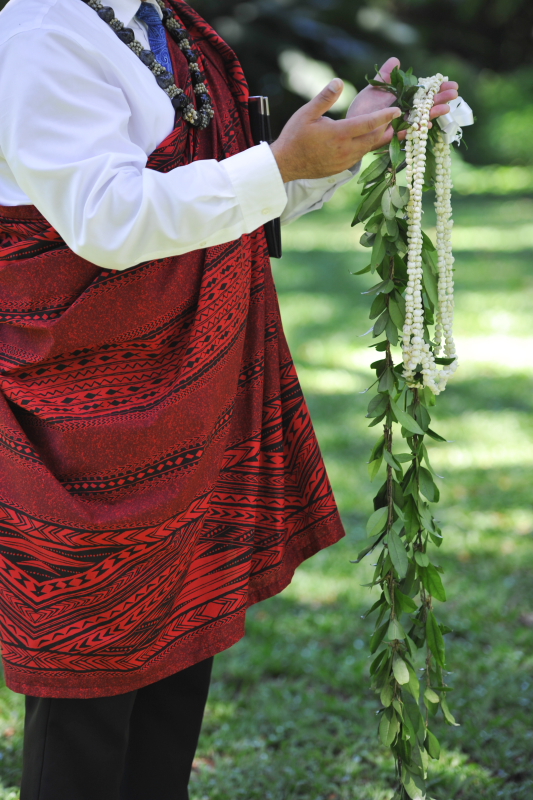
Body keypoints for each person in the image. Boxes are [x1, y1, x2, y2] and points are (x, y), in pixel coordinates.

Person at [0, 0, 458, 797]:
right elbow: (106, 219)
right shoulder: (41, 31)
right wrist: (276, 166)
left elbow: (225, 197)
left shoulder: (166, 22)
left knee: (174, 669)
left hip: (191, 400)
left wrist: (341, 145)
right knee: (89, 694)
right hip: (83, 420)